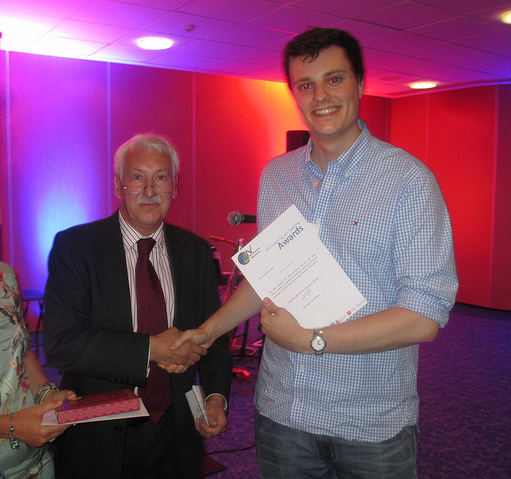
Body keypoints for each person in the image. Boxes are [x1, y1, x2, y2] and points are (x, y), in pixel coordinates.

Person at [171, 28, 458, 478]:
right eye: (306, 85)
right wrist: (209, 331)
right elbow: (266, 278)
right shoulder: (277, 176)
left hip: (369, 425)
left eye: (334, 79)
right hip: (283, 415)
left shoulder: (408, 182)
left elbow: (424, 316)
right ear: (295, 94)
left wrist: (312, 339)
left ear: (360, 83)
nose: (320, 96)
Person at [43, 134, 232, 479]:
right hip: (96, 431)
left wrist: (217, 396)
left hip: (176, 431)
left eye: (160, 177)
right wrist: (151, 349)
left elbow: (215, 338)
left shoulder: (195, 252)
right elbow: (61, 343)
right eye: (137, 177)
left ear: (174, 187)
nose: (149, 189)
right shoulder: (76, 247)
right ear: (119, 185)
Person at [0, 262, 76, 479]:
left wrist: (45, 393)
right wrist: (10, 426)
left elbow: (20, 350)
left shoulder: (5, 275)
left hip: (34, 462)